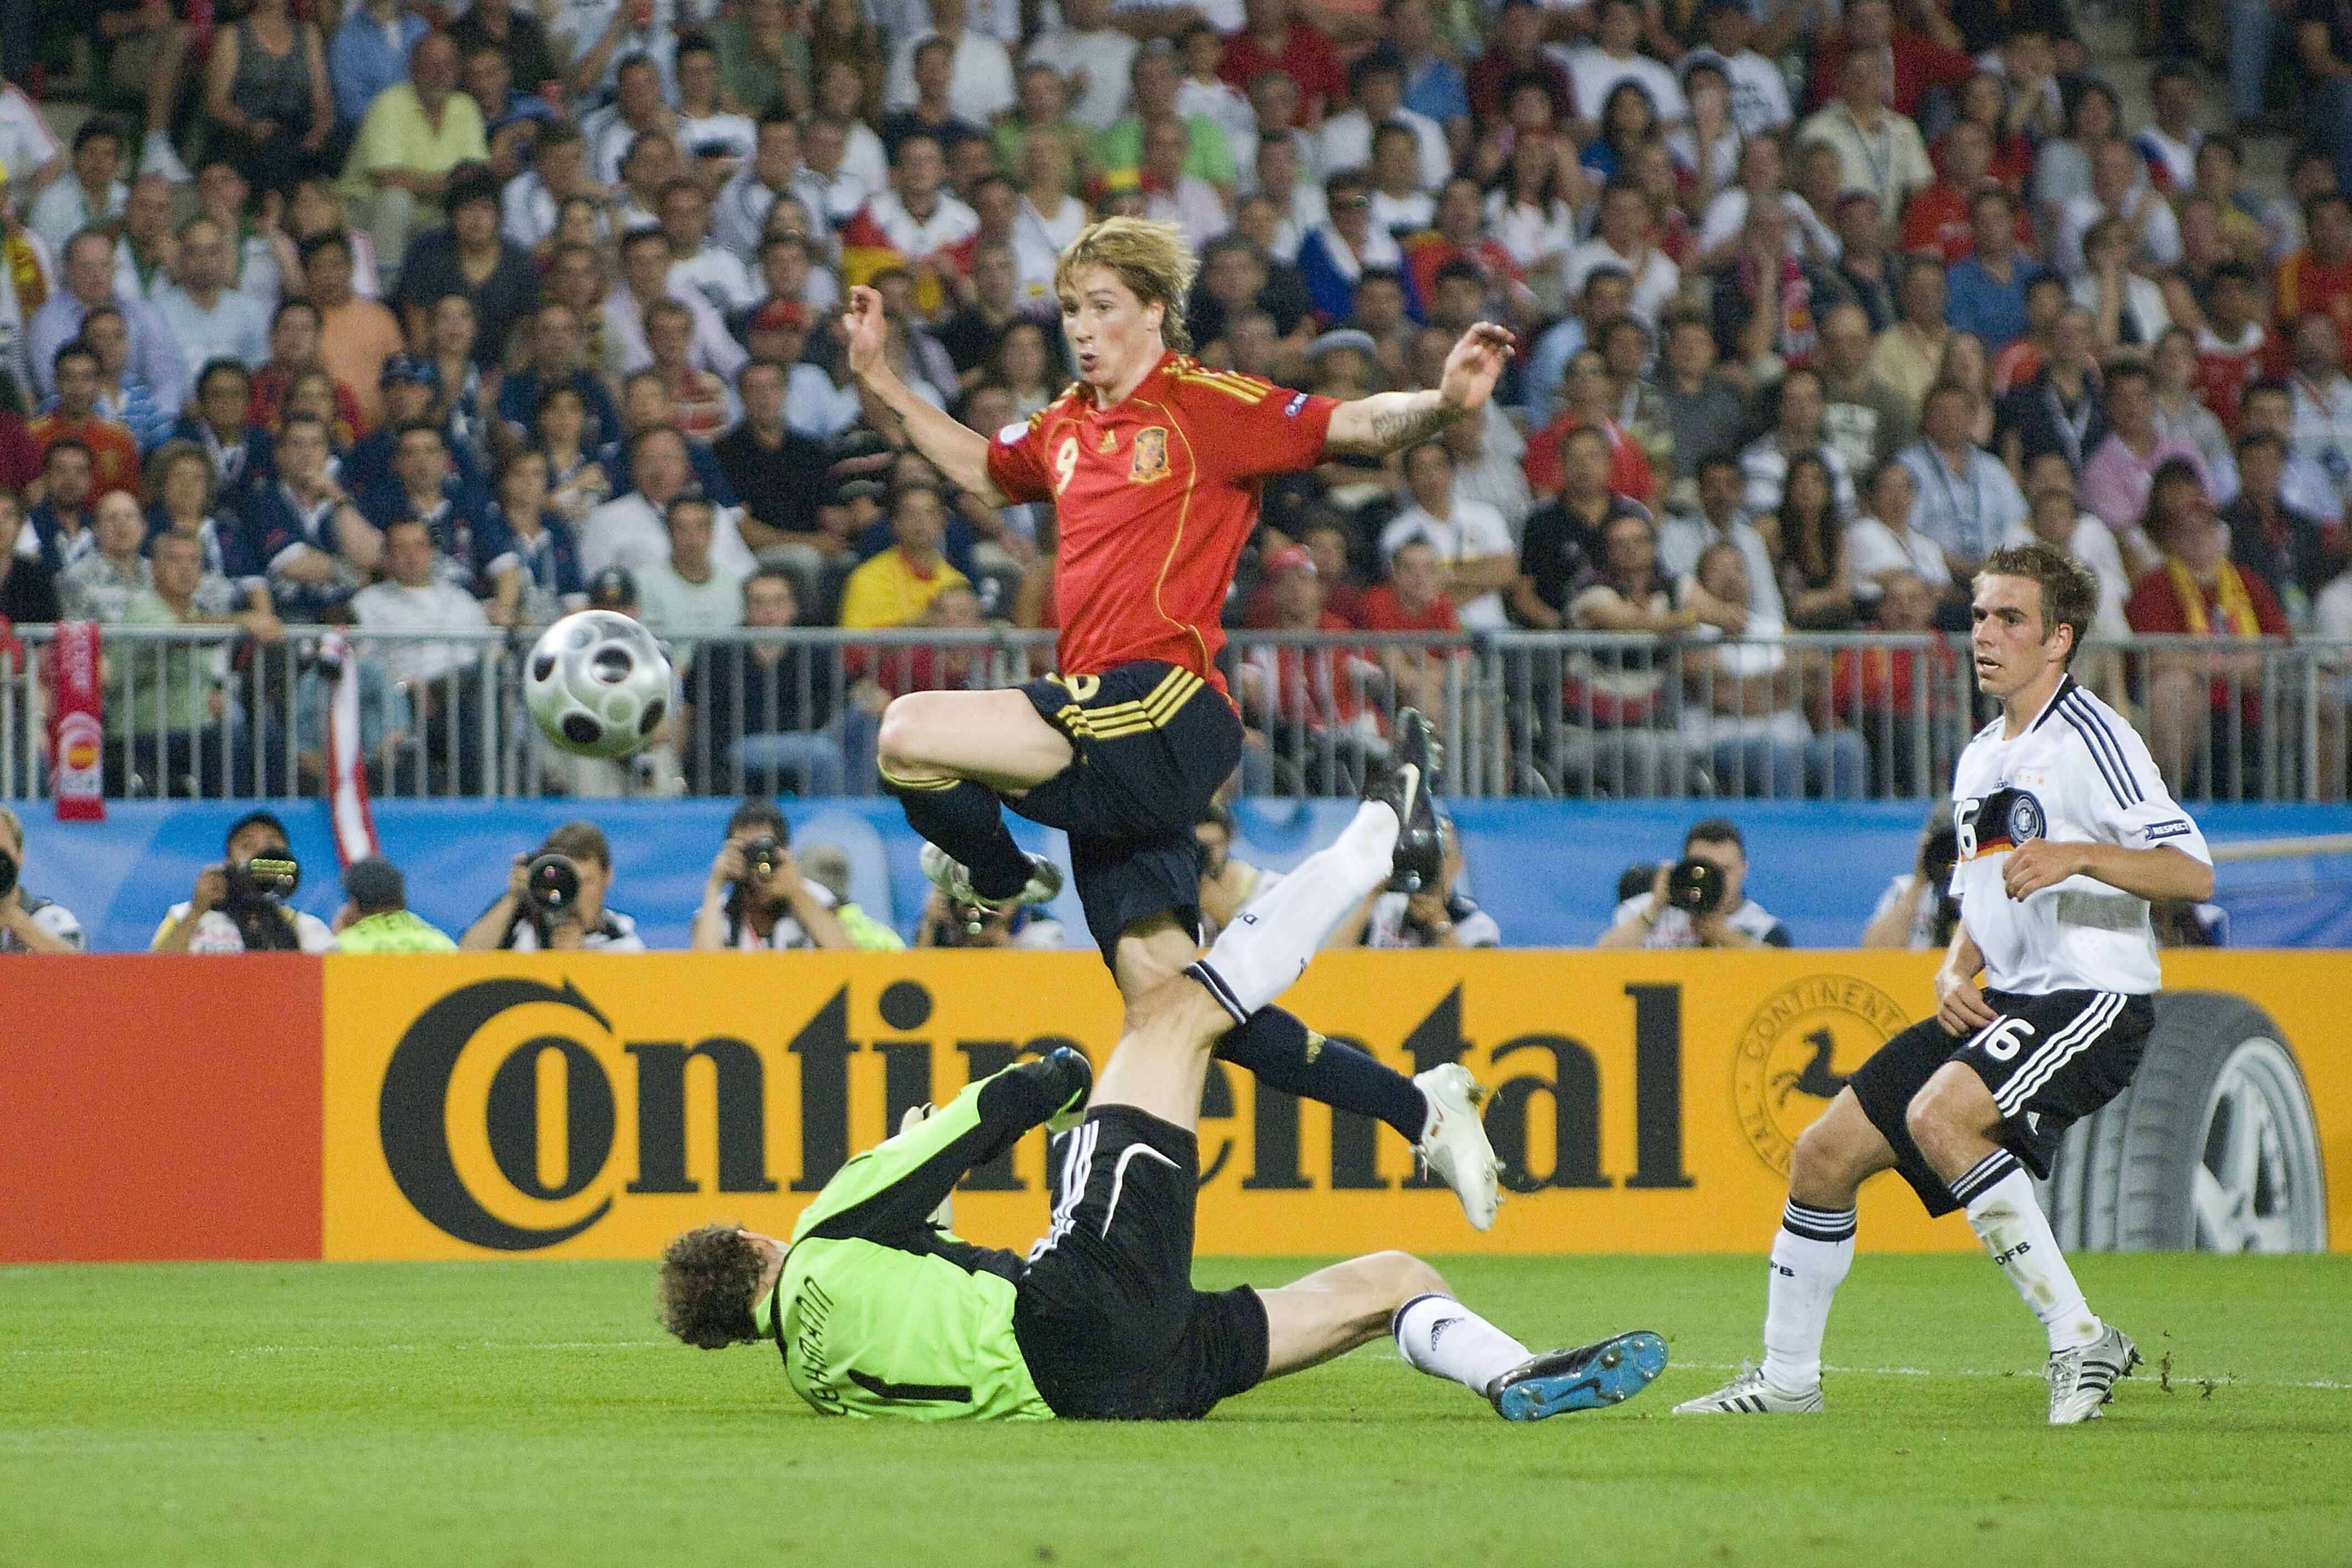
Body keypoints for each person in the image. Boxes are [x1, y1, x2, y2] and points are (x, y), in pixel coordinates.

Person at [840, 216, 1511, 1228]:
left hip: (1164, 705)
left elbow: (1355, 425)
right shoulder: (1063, 426)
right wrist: (884, 383)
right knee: (1176, 1015)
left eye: (1102, 307)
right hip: (1101, 743)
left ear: (1155, 312)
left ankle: (995, 870)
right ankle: (1420, 1106)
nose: (1082, 329)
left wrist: (1446, 403)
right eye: (1070, 310)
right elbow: (983, 469)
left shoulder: (1204, 406)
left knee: (907, 733)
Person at [657, 757, 1666, 1423]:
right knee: (1172, 1016)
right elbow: (1001, 1104)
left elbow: (930, 1311)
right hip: (1073, 1309)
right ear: (753, 1242)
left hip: (1122, 1385)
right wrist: (1048, 1095)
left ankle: (1510, 1374)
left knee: (1391, 1280)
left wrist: (940, 1214)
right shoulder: (826, 1232)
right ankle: (1369, 848)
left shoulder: (814, 1378)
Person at [1677, 541, 2213, 1424]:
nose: (1986, 634)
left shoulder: (2095, 736)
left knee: (1940, 1114)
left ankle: (2079, 1336)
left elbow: (2192, 873)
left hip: (2091, 995)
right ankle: (1786, 1380)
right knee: (1821, 1153)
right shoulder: (1979, 757)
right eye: (1978, 616)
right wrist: (1954, 964)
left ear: (2059, 641)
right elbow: (1980, 891)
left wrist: (2081, 851)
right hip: (2005, 994)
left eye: (2011, 618)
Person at [153, 809, 338, 954]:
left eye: (272, 846)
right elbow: (156, 976)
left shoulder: (307, 928)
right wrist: (197, 910)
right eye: (248, 846)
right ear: (228, 862)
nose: (261, 853)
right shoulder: (183, 915)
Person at [1597, 817, 1792, 949]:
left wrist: (1726, 936)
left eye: (1725, 870)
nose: (1716, 880)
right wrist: (1654, 910)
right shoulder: (1643, 912)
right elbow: (1599, 961)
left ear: (1744, 870)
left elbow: (1784, 974)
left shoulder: (1763, 929)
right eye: (1703, 870)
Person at [690, 800, 858, 952]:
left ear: (785, 851)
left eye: (764, 849)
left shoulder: (816, 898)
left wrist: (796, 892)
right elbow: (702, 974)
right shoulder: (718, 912)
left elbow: (850, 960)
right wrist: (714, 886)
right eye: (747, 851)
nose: (757, 862)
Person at [460, 820, 647, 952]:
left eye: (586, 882)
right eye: (567, 882)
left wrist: (579, 961)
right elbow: (465, 960)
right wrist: (514, 896)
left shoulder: (621, 943)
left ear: (607, 877)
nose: (576, 893)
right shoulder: (520, 922)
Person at [0, 804, 84, 953]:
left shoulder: (49, 919)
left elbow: (82, 968)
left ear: (20, 856)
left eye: (2, 854)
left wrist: (16, 921)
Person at [331, 856, 457, 952]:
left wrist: (336, 938)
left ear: (353, 904)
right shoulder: (444, 945)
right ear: (401, 898)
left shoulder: (341, 950)